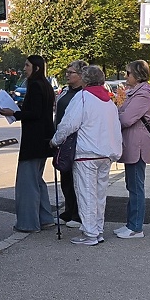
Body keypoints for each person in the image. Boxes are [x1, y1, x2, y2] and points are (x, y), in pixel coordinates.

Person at [50, 66, 122, 245]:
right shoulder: (109, 101)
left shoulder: (82, 97)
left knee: (86, 194)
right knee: (99, 195)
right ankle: (97, 229)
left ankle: (90, 233)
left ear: (85, 79)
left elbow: (68, 124)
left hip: (87, 153)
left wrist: (55, 140)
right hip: (106, 153)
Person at [0, 55, 56, 232]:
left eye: (27, 65)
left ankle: (28, 223)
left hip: (33, 141)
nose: (24, 68)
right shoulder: (46, 85)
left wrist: (14, 113)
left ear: (36, 68)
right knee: (37, 181)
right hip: (44, 140)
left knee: (27, 183)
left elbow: (35, 113)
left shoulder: (36, 86)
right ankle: (45, 218)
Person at [115, 60, 150, 239]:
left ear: (137, 75)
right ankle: (131, 223)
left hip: (137, 145)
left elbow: (126, 119)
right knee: (132, 184)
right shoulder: (137, 93)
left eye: (128, 73)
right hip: (134, 143)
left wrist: (116, 115)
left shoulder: (143, 95)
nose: (125, 76)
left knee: (136, 186)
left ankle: (135, 227)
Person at [55, 60, 88, 229]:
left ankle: (78, 213)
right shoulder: (66, 91)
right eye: (67, 72)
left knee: (77, 179)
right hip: (62, 140)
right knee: (65, 177)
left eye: (71, 72)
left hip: (76, 140)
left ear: (81, 75)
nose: (67, 75)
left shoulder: (84, 94)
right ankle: (68, 210)